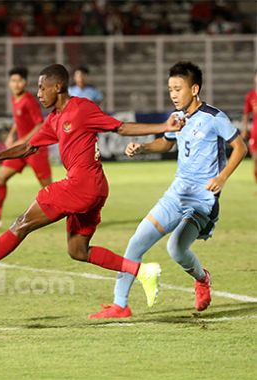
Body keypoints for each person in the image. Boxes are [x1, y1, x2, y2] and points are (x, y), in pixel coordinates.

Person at [0, 64, 186, 309]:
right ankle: (142, 271)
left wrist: (165, 127)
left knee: (21, 224)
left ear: (57, 87)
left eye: (41, 87)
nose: (38, 94)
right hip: (94, 188)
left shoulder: (81, 108)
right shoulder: (55, 119)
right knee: (78, 250)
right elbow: (29, 146)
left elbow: (120, 127)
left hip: (81, 186)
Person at [90, 62, 247, 319]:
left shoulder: (214, 117)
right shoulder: (178, 119)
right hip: (176, 194)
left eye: (177, 89)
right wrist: (142, 148)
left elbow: (241, 147)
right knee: (136, 242)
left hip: (201, 200)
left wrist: (222, 177)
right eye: (170, 89)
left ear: (194, 89)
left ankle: (202, 278)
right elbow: (166, 143)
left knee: (176, 249)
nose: (173, 94)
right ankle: (120, 305)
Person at [0, 67, 52, 230]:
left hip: (35, 149)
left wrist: (23, 141)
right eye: (13, 81)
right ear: (9, 83)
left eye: (19, 81)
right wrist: (12, 134)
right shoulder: (15, 99)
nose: (16, 84)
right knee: (1, 178)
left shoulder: (29, 100)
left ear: (25, 82)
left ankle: (71, 215)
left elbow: (39, 123)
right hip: (20, 150)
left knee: (49, 188)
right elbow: (20, 120)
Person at [241, 71, 257, 189]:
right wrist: (244, 129)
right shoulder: (251, 96)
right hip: (255, 131)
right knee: (255, 159)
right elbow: (246, 114)